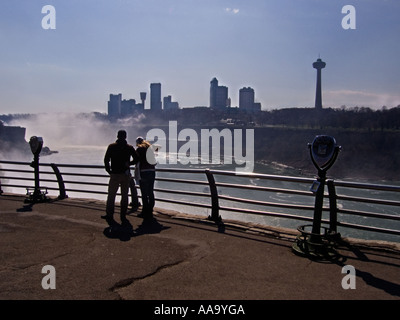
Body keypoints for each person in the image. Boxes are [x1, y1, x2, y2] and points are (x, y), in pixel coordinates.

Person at [103, 130, 138, 224]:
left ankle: (109, 214)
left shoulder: (111, 146)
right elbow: (137, 159)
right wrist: (129, 164)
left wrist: (109, 171)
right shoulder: (129, 147)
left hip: (114, 174)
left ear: (117, 136)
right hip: (125, 174)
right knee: (124, 195)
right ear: (125, 137)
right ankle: (123, 215)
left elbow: (106, 160)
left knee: (111, 195)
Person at [135, 136, 156, 219]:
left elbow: (136, 160)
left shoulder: (139, 150)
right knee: (150, 191)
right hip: (152, 171)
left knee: (144, 193)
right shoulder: (150, 149)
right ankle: (150, 210)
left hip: (143, 171)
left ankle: (145, 211)